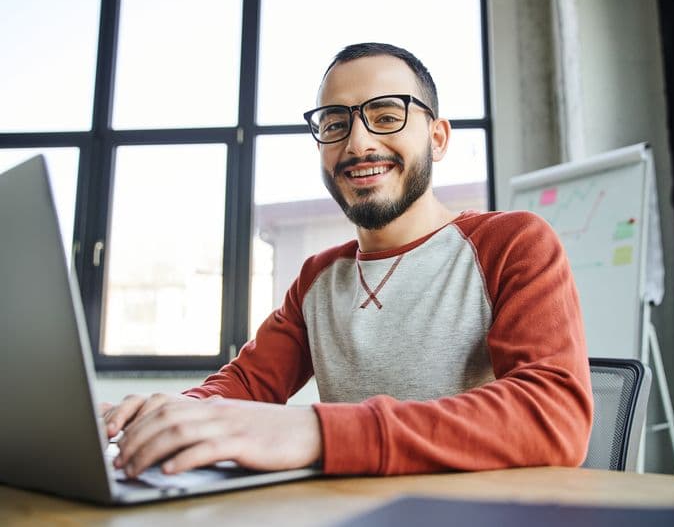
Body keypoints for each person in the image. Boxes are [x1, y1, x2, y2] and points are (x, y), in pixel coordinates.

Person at [103, 43, 593, 478]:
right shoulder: (319, 277)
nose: (358, 144)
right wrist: (173, 412)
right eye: (336, 124)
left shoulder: (512, 243)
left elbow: (552, 414)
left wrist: (315, 433)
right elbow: (247, 384)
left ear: (438, 138)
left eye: (385, 116)